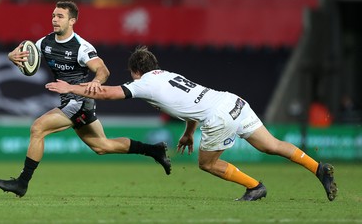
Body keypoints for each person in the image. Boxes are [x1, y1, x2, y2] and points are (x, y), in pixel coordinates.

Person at [46, 45, 338, 201]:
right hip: (233, 101)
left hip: (218, 116)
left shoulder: (144, 82)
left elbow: (108, 93)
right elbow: (189, 106)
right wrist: (188, 132)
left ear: (135, 71)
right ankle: (317, 167)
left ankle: (255, 187)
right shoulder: (168, 75)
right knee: (272, 145)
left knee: (208, 164)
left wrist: (71, 87)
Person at [0, 2, 171, 198]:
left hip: (78, 101)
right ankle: (155, 150)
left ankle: (22, 183)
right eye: (53, 15)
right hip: (69, 101)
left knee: (38, 128)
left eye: (60, 16)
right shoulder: (44, 43)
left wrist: (96, 81)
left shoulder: (82, 47)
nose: (54, 19)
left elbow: (103, 70)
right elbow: (25, 57)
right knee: (102, 146)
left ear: (72, 21)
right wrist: (11, 56)